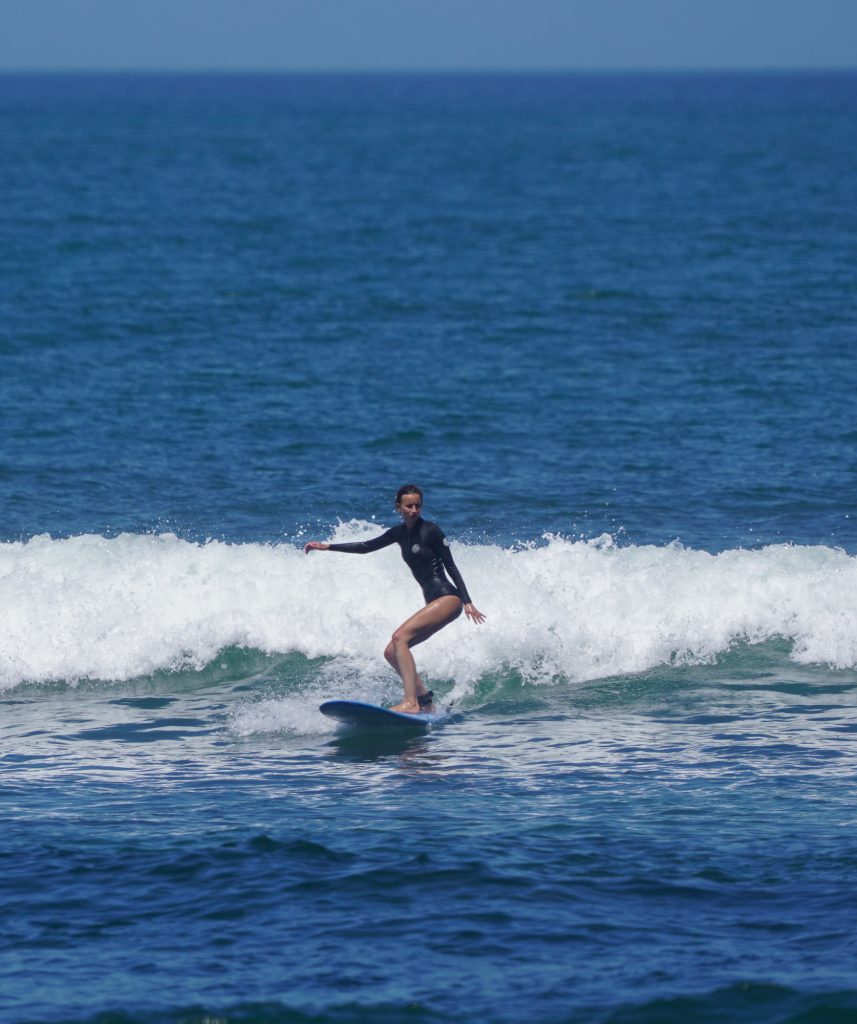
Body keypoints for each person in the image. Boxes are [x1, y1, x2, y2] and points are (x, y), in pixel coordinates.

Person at [304, 484, 485, 713]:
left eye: (418, 505)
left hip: (448, 598)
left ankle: (410, 703)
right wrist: (327, 547)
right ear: (398, 507)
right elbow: (365, 547)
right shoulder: (398, 534)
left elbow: (451, 566)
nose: (414, 510)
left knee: (400, 637)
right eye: (409, 505)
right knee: (392, 652)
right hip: (434, 601)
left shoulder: (432, 531)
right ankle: (425, 703)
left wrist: (467, 601)